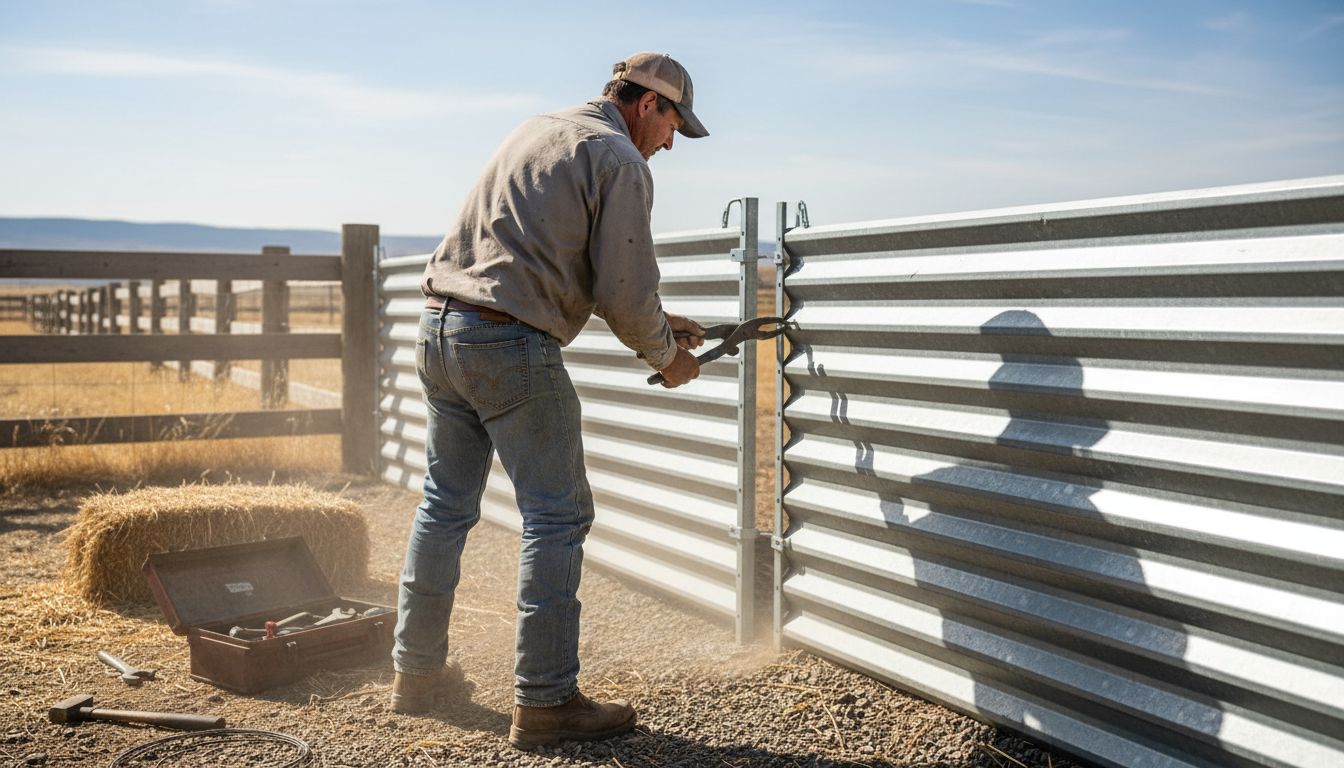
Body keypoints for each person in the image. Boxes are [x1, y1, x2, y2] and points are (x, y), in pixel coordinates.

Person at [390, 52, 711, 751]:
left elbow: (545, 261)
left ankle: (416, 674)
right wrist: (666, 355)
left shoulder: (539, 130)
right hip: (507, 344)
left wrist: (663, 321)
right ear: (649, 104)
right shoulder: (619, 158)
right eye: (674, 126)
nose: (671, 144)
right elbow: (622, 291)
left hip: (441, 328)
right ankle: (546, 701)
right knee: (558, 515)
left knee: (444, 505)